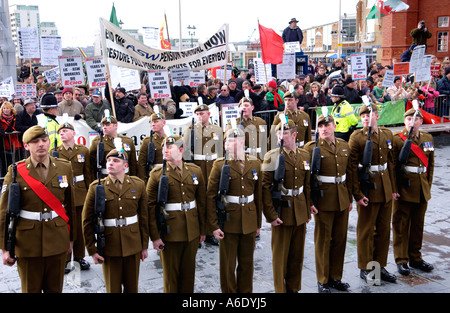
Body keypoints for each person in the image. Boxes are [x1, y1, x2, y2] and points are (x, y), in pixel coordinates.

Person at [0, 125, 75, 293]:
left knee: (55, 289)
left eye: (44, 140)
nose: (41, 144)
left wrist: (71, 239)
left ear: (49, 142)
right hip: (28, 243)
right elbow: (4, 213)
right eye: (35, 141)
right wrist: (5, 249)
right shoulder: (15, 172)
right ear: (26, 146)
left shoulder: (64, 168)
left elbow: (70, 207)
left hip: (57, 239)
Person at [82, 147, 149, 293]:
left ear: (125, 166)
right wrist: (92, 250)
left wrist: (144, 246)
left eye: (116, 161)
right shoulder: (96, 187)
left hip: (133, 244)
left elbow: (144, 218)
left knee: (132, 289)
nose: (110, 163)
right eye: (109, 160)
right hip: (109, 246)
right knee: (113, 288)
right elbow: (87, 221)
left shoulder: (138, 185)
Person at [147, 134, 206, 293]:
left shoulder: (195, 171)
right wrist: (155, 236)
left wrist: (202, 230)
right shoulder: (157, 174)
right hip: (169, 232)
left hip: (191, 231)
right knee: (171, 279)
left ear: (180, 150)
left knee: (188, 277)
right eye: (163, 147)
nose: (164, 150)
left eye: (169, 147)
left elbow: (201, 202)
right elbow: (150, 207)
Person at [206, 127, 262, 293]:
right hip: (228, 221)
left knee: (247, 264)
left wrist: (258, 223)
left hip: (249, 220)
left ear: (242, 142)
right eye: (227, 141)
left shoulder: (255, 163)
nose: (230, 144)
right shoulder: (219, 165)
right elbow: (210, 197)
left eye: (234, 140)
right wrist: (214, 226)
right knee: (228, 266)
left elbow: (258, 196)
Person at [348, 103, 398, 285]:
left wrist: (393, 188)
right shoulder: (356, 137)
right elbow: (352, 168)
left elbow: (390, 163)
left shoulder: (386, 134)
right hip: (368, 188)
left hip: (384, 187)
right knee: (366, 231)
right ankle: (366, 267)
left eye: (369, 115)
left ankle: (379, 266)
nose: (366, 119)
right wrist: (357, 194)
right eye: (363, 116)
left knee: (384, 231)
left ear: (377, 115)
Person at [304, 113, 353, 293]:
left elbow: (349, 173)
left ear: (334, 126)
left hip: (341, 198)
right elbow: (306, 179)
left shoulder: (343, 145)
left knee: (340, 240)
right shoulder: (311, 148)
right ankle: (323, 279)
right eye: (321, 126)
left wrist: (350, 197)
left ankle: (335, 277)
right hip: (323, 199)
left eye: (327, 125)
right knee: (323, 241)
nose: (324, 128)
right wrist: (310, 202)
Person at [262, 119, 311, 293]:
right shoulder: (271, 156)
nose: (280, 136)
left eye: (285, 133)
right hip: (281, 211)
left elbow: (307, 184)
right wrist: (271, 215)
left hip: (299, 209)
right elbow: (265, 189)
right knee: (280, 257)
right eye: (278, 133)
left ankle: (293, 288)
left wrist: (308, 208)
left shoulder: (305, 155)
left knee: (296, 256)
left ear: (294, 135)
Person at [392, 108, 435, 276]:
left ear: (420, 122)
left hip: (421, 187)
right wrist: (395, 189)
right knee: (401, 225)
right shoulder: (397, 140)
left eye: (415, 119)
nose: (411, 122)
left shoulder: (427, 138)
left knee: (418, 225)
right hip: (404, 187)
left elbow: (430, 166)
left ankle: (416, 257)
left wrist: (427, 186)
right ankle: (401, 259)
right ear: (405, 121)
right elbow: (392, 167)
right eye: (409, 119)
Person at [52, 122, 92, 273]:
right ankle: (66, 259)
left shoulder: (83, 150)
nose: (62, 133)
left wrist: (89, 193)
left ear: (73, 133)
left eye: (65, 131)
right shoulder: (55, 152)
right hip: (63, 192)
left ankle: (79, 257)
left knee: (80, 227)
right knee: (65, 227)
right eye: (60, 131)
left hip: (81, 192)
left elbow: (87, 173)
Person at [183, 104, 223, 245]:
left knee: (211, 202)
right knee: (198, 202)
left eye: (202, 114)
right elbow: (186, 152)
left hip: (212, 169)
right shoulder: (191, 130)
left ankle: (210, 231)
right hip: (197, 170)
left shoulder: (217, 130)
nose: (200, 117)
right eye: (197, 114)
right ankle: (199, 233)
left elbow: (220, 151)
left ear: (208, 114)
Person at [89, 114, 137, 179]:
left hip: (125, 179)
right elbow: (91, 165)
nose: (104, 127)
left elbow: (133, 164)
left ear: (116, 125)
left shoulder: (128, 141)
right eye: (103, 125)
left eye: (108, 125)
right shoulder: (97, 142)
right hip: (105, 179)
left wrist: (133, 180)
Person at [137, 113, 167, 182]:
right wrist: (144, 181)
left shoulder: (172, 138)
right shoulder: (147, 141)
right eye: (151, 122)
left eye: (156, 122)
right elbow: (141, 164)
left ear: (164, 122)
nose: (153, 124)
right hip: (154, 177)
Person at [0, 102, 22, 176]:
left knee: (16, 162)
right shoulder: (1, 119)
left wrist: (12, 129)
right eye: (4, 108)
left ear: (11, 109)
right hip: (5, 144)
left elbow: (18, 128)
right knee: (6, 164)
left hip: (15, 142)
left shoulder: (15, 118)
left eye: (7, 108)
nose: (6, 110)